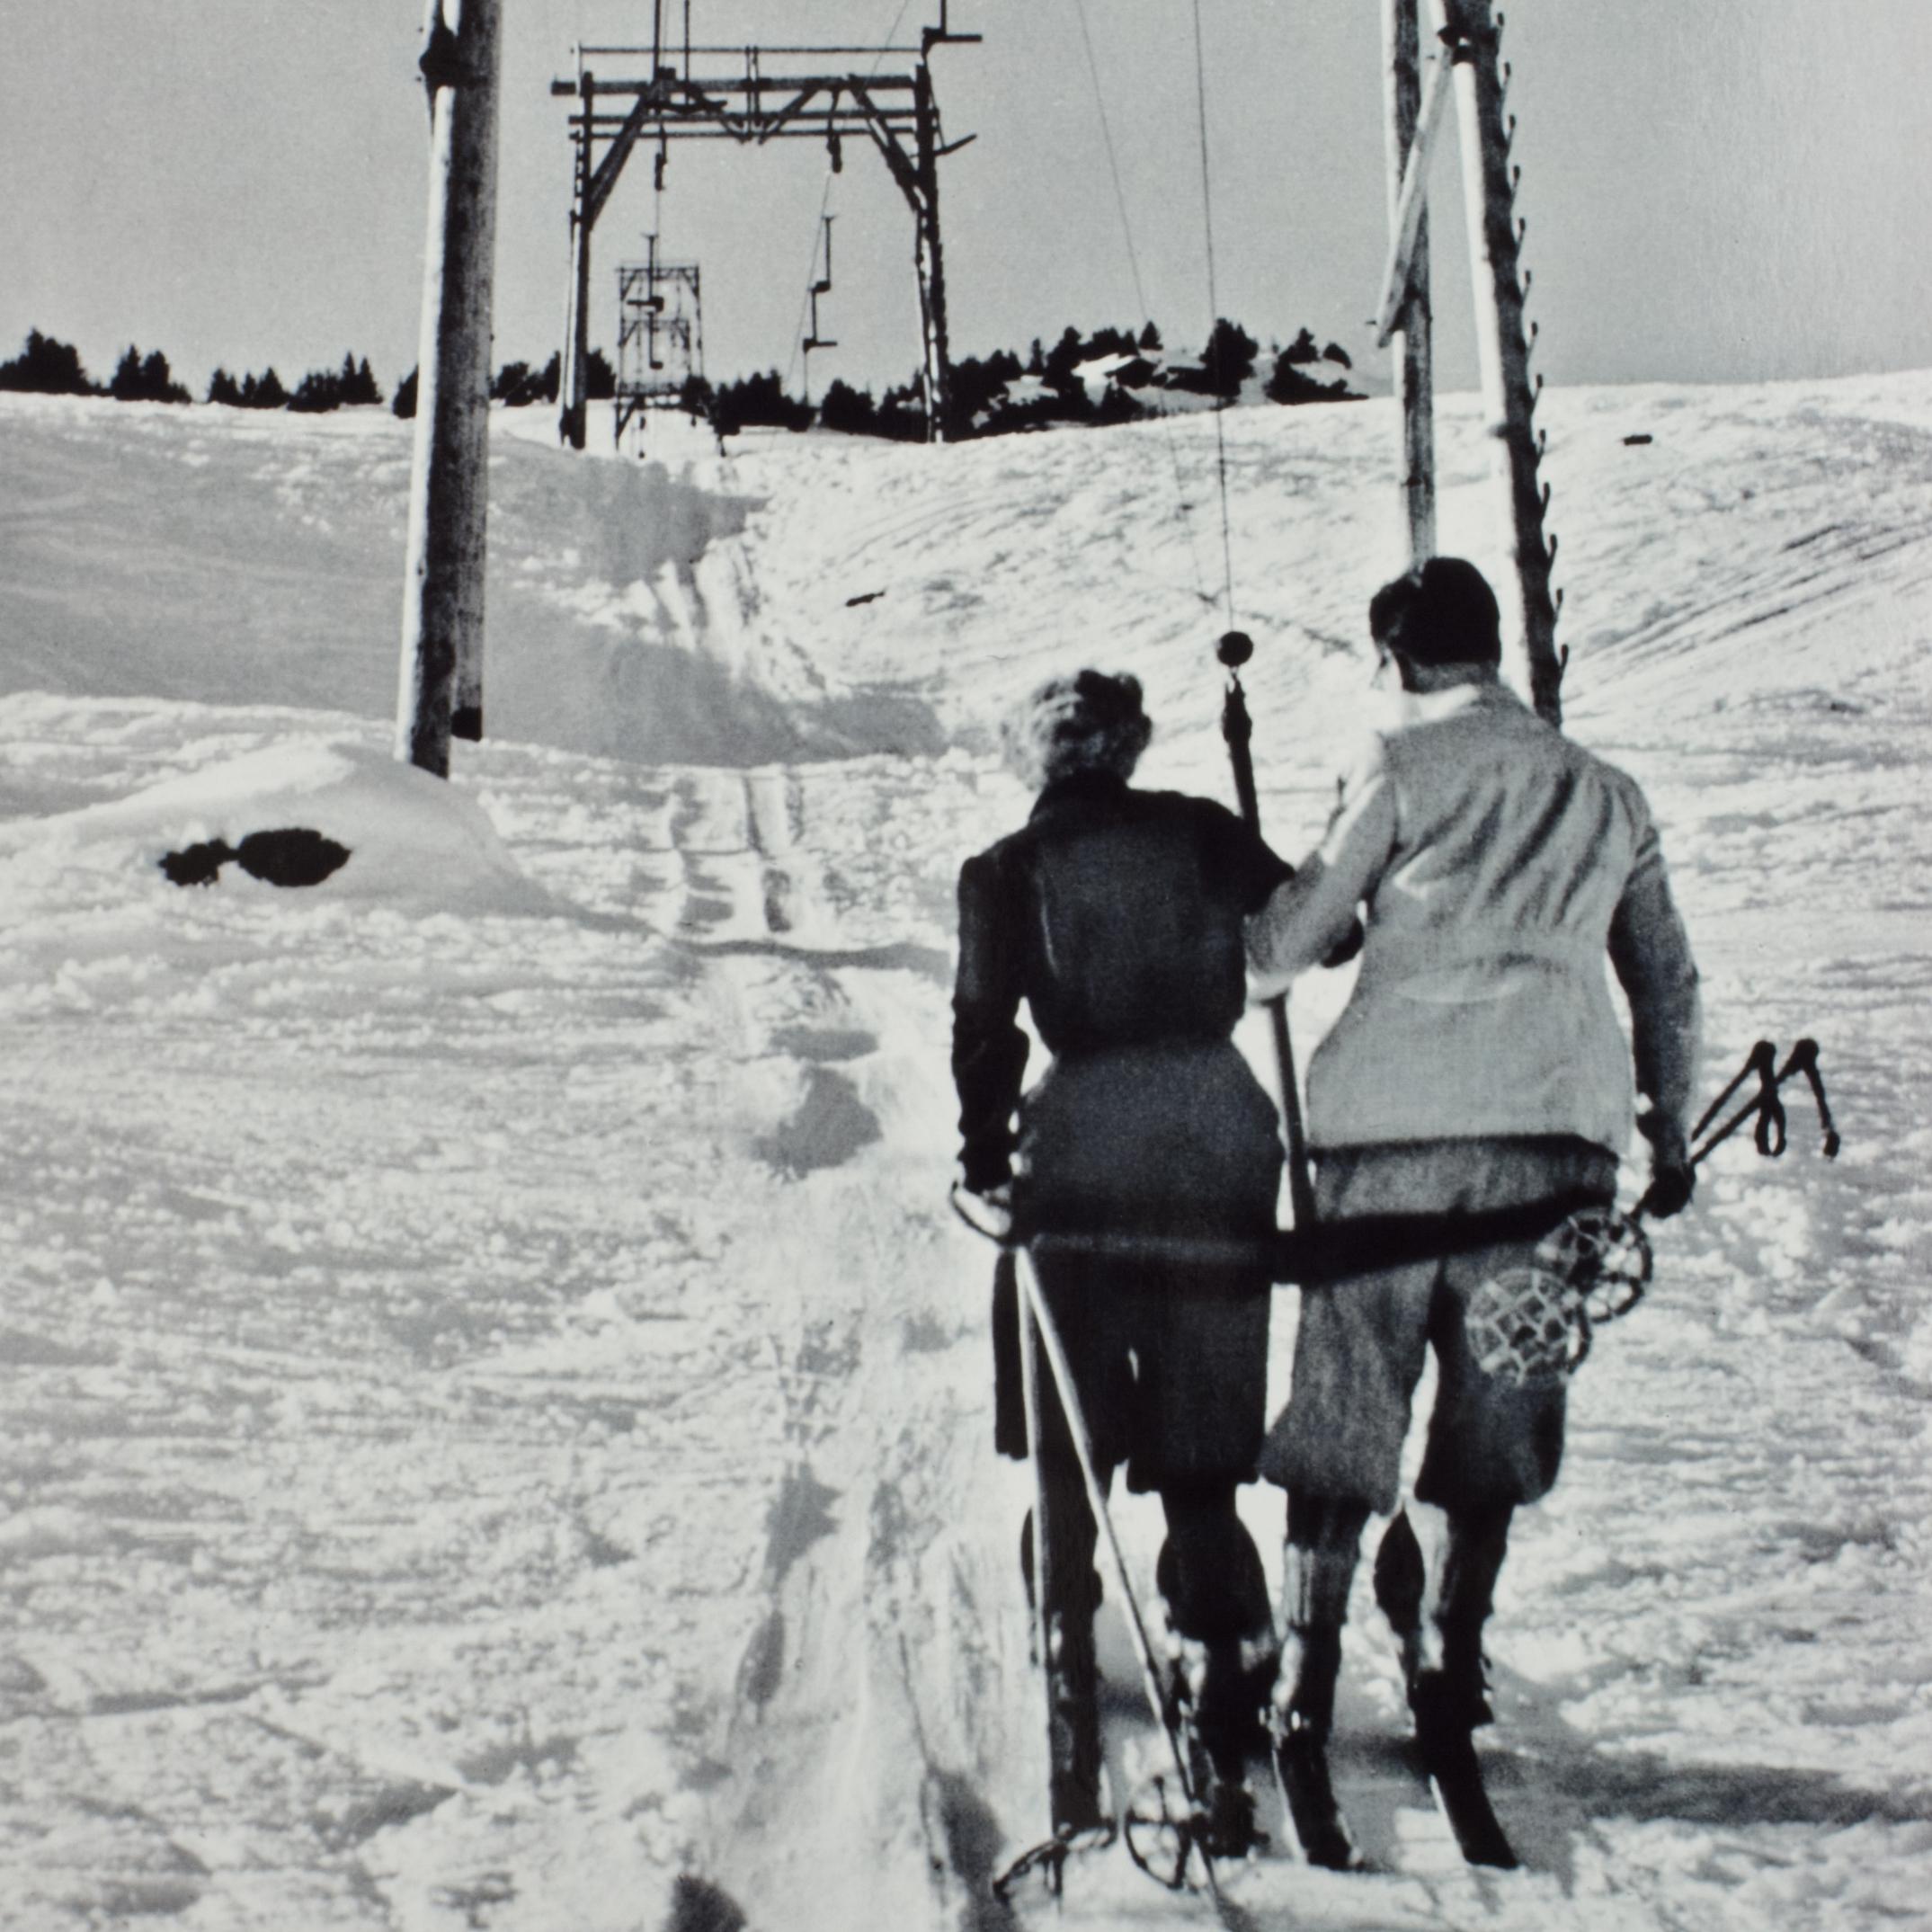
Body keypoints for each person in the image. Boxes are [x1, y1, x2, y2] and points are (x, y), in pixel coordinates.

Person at [1245, 557, 1701, 1866]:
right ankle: (1449, 1664)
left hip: (1387, 1135)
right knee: (1499, 1407)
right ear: (1491, 648)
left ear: (1390, 655)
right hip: (1555, 1147)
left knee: (1346, 1401)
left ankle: (1304, 1671)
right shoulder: (1604, 789)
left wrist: (1280, 928)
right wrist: (1668, 1123)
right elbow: (1663, 976)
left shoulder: (1393, 763)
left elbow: (1277, 952)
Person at [951, 669, 1293, 1854]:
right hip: (1217, 1129)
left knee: (1068, 1418)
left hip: (1081, 1138)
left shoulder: (1004, 871)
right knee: (1202, 1421)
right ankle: (1217, 1632)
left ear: (1033, 760)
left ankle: (1062, 1623)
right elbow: (1320, 924)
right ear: (1130, 748)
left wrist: (984, 1153)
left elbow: (983, 1026)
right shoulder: (1199, 827)